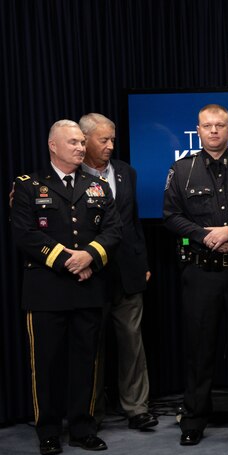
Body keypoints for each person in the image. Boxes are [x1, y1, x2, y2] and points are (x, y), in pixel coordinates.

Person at [10, 120, 121, 455]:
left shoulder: (97, 185)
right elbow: (25, 234)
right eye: (72, 142)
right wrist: (67, 261)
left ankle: (82, 427)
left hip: (87, 289)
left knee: (86, 362)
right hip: (46, 291)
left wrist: (89, 256)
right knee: (45, 364)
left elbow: (114, 231)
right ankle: (48, 430)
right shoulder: (29, 185)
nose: (79, 147)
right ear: (52, 145)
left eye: (81, 142)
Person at [163, 104, 228, 446]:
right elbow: (170, 216)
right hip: (201, 273)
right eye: (207, 126)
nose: (213, 131)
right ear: (197, 130)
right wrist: (205, 236)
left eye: (220, 125)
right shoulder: (182, 170)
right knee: (200, 350)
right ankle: (194, 419)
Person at [79, 113, 156, 431]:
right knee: (90, 344)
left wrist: (144, 263)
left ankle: (136, 407)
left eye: (113, 139)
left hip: (128, 270)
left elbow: (134, 222)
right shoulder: (71, 176)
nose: (111, 145)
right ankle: (90, 412)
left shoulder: (125, 172)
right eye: (103, 140)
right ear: (84, 141)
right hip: (90, 273)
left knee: (131, 341)